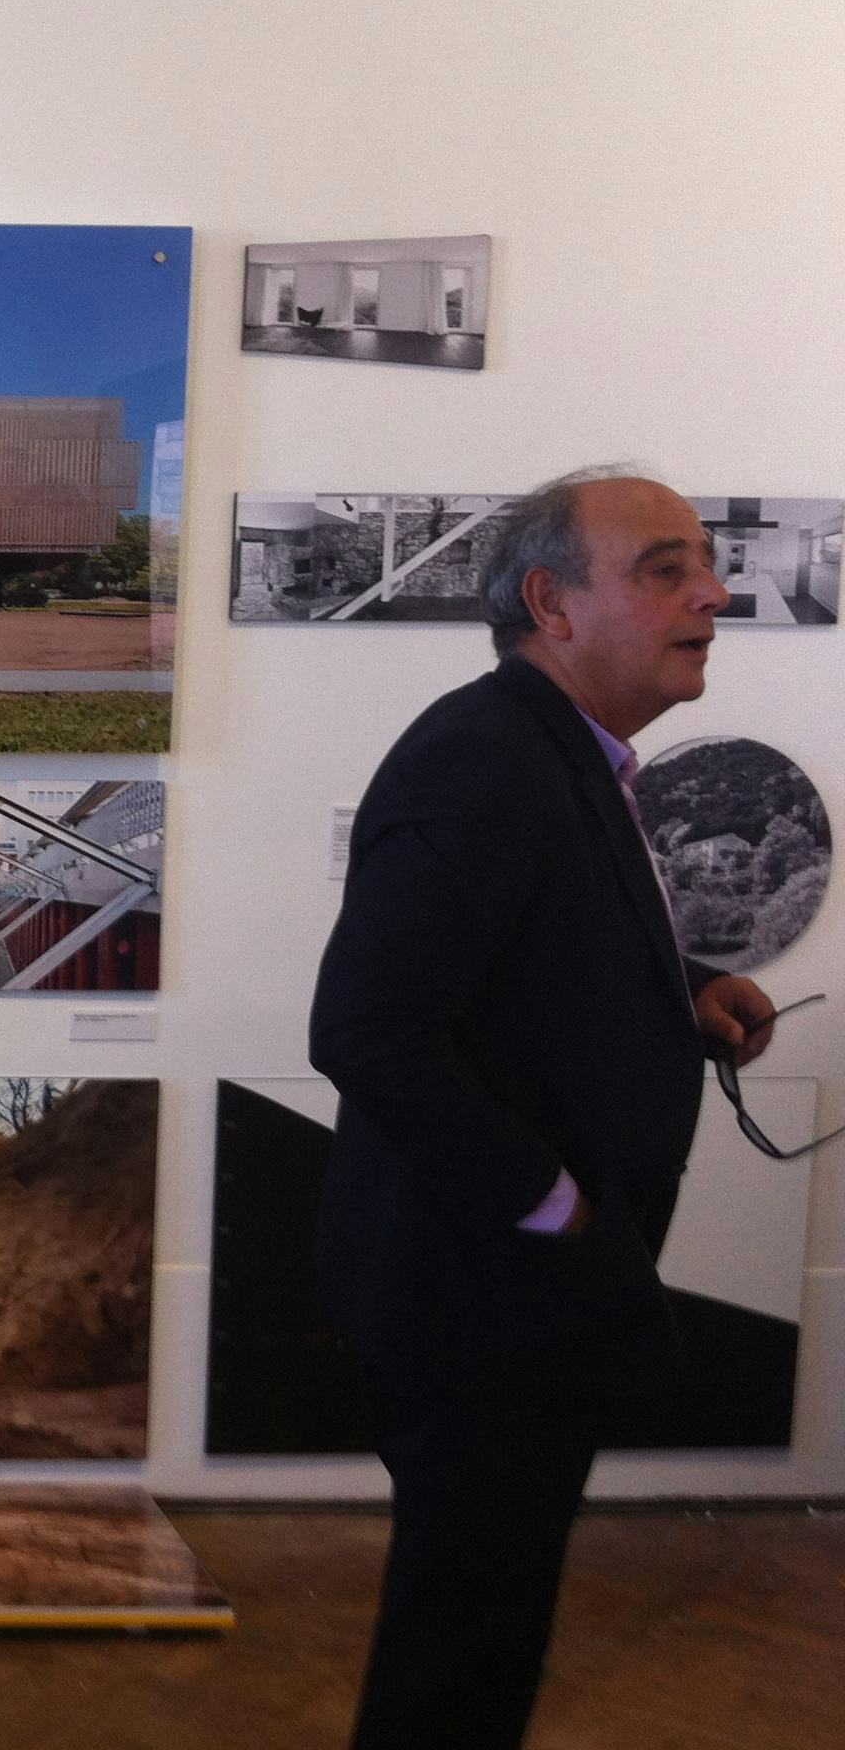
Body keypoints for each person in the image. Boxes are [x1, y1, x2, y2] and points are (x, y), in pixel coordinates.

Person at [309, 468, 782, 1750]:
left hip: (520, 1296)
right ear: (551, 603)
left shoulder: (558, 751)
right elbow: (369, 1030)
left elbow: (529, 959)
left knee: (487, 1628)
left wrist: (686, 989)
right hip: (484, 1297)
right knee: (461, 1652)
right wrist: (556, 1204)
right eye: (666, 569)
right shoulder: (484, 760)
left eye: (705, 565)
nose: (713, 593)